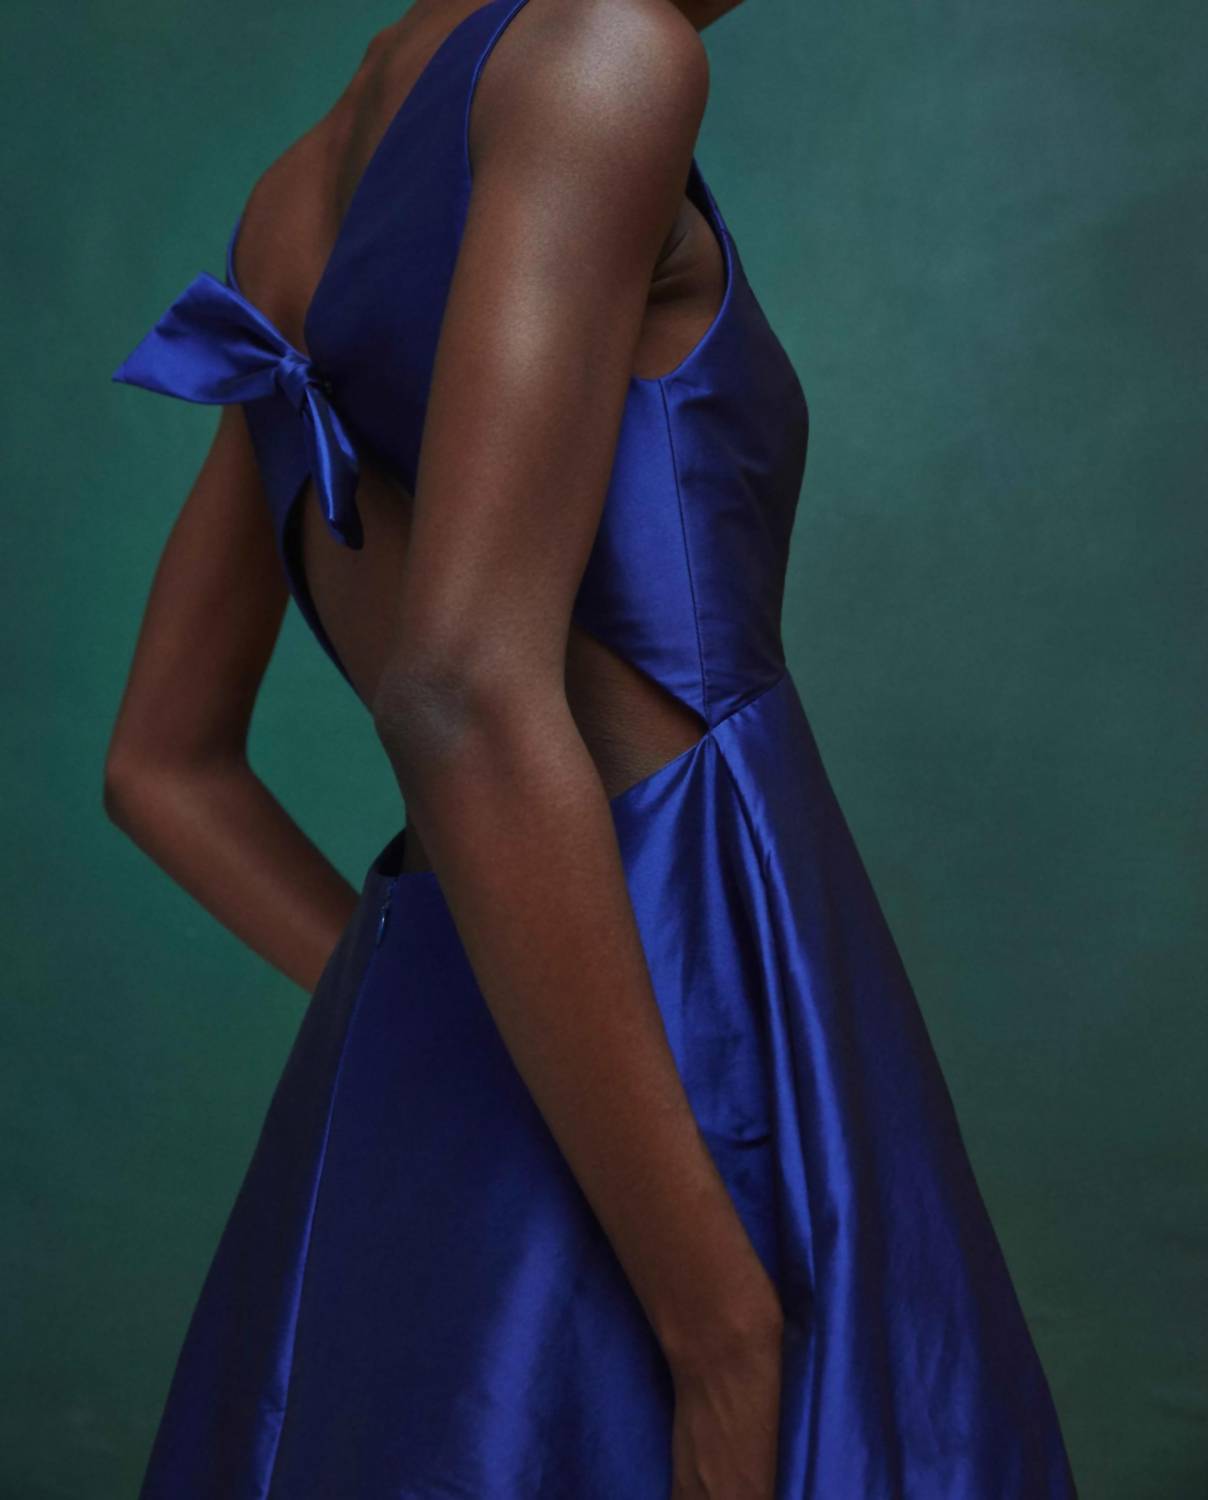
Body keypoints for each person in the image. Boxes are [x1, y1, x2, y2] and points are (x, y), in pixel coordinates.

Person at [106, 0, 1080, 1494]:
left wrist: (475, 1020)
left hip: (509, 1025)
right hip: (701, 990)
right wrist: (720, 1333)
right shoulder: (605, 53)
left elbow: (160, 763)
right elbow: (455, 689)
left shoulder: (294, 190)